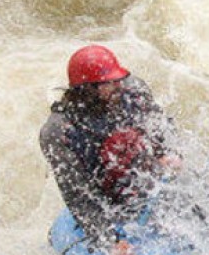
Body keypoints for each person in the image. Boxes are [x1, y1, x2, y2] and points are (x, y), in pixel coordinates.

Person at [39, 45, 179, 244]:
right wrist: (109, 240)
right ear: (87, 90)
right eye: (109, 84)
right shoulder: (58, 132)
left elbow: (161, 126)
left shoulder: (133, 91)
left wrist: (166, 153)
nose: (118, 87)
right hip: (107, 199)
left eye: (118, 80)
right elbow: (77, 195)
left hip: (145, 184)